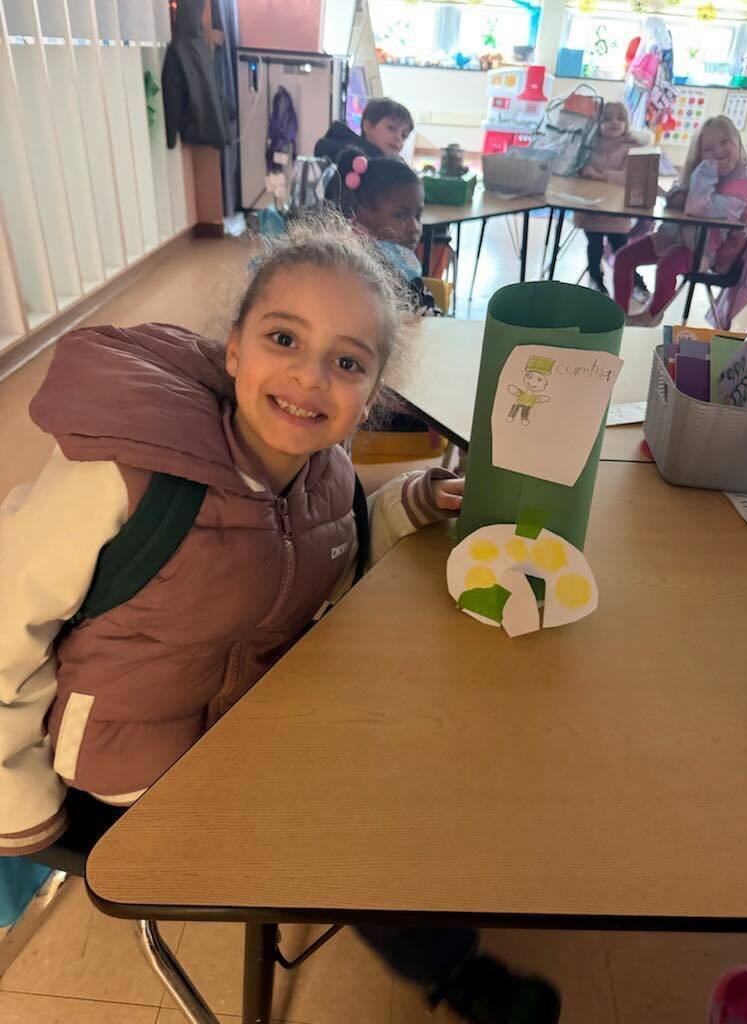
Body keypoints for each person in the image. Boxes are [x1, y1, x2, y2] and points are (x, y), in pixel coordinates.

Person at [0, 217, 560, 1024]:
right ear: (233, 348)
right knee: (352, 825)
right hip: (126, 771)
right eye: (283, 338)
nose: (309, 378)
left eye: (346, 362)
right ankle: (452, 970)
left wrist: (404, 505)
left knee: (428, 736)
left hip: (246, 724)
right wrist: (18, 803)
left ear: (372, 396)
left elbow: (320, 554)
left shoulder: (324, 470)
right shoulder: (121, 474)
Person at [613, 115, 747, 326]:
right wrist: (678, 196)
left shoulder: (743, 181)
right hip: (671, 236)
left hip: (702, 251)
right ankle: (618, 315)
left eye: (724, 142)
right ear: (699, 154)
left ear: (736, 141)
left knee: (668, 264)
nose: (718, 151)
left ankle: (651, 315)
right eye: (708, 149)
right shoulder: (696, 171)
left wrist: (706, 171)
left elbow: (699, 206)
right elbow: (677, 194)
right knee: (623, 258)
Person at [330, 147, 440, 315]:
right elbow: (429, 320)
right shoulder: (394, 266)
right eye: (400, 215)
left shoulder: (341, 243)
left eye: (418, 215)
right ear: (363, 214)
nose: (414, 227)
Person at [574, 101, 649, 300]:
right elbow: (579, 170)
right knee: (594, 246)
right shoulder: (589, 145)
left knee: (622, 250)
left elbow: (630, 176)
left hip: (617, 210)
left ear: (627, 122)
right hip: (592, 209)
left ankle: (635, 282)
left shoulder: (632, 147)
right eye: (607, 118)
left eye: (619, 118)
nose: (614, 122)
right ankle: (596, 280)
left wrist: (600, 175)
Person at [315, 97, 414, 163]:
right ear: (368, 126)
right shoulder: (348, 158)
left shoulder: (390, 163)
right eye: (391, 128)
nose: (398, 138)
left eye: (404, 135)